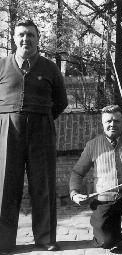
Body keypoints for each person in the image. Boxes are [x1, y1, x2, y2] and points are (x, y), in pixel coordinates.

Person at [0, 20, 68, 253]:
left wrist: (42, 117)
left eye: (31, 35)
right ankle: (3, 241)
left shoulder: (50, 68)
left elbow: (61, 102)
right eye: (21, 35)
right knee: (6, 186)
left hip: (41, 129)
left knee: (43, 184)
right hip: (8, 130)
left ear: (38, 39)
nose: (25, 39)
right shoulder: (1, 65)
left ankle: (46, 239)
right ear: (14, 38)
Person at [69, 105, 122, 253]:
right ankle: (112, 230)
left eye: (117, 121)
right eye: (108, 121)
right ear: (102, 124)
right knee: (105, 241)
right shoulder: (92, 145)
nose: (112, 124)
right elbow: (77, 173)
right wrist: (75, 193)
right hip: (104, 199)